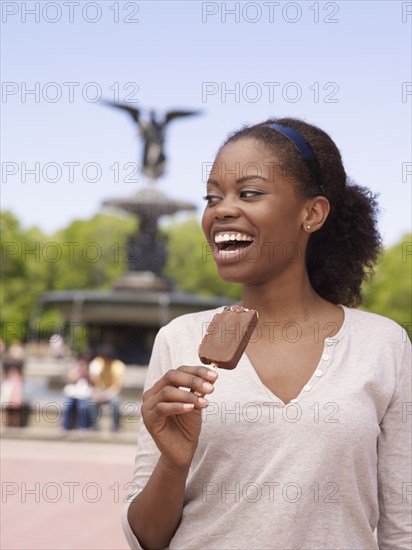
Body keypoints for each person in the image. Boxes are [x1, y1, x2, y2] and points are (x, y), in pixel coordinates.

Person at [122, 118, 411, 549]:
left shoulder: (384, 345)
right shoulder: (179, 339)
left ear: (311, 213)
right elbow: (146, 538)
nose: (221, 209)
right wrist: (173, 462)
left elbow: (403, 529)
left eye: (249, 192)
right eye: (212, 196)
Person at [89, 347, 125, 431]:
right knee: (91, 402)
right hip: (100, 390)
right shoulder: (97, 362)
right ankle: (94, 427)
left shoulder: (118, 366)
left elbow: (118, 386)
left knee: (116, 403)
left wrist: (106, 395)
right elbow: (93, 382)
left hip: (112, 392)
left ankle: (116, 427)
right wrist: (98, 393)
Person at [61, 352, 93, 431]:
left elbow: (94, 382)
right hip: (72, 393)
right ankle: (65, 426)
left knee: (82, 407)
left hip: (84, 394)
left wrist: (87, 373)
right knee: (67, 405)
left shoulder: (91, 368)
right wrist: (79, 372)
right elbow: (70, 379)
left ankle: (83, 426)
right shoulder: (74, 367)